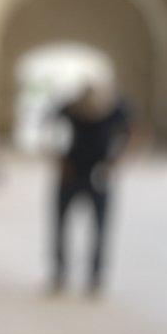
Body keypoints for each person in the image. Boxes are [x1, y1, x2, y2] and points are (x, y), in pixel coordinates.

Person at [49, 81, 134, 296]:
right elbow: (48, 127)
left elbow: (137, 131)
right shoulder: (70, 108)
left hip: (100, 176)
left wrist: (117, 162)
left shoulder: (116, 110)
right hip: (71, 174)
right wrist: (59, 159)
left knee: (100, 229)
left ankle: (95, 277)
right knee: (60, 226)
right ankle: (60, 273)